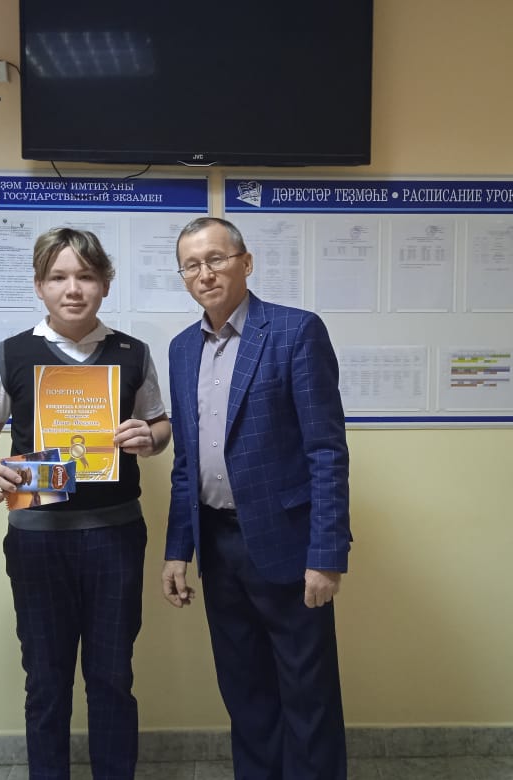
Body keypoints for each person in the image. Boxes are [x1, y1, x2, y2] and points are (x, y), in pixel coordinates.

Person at [0, 227, 170, 780]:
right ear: (39, 286)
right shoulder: (13, 354)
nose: (72, 289)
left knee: (112, 677)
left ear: (105, 284)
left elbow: (159, 425)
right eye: (58, 277)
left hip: (115, 536)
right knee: (46, 681)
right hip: (38, 540)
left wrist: (152, 437)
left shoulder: (132, 354)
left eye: (85, 276)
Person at [161, 217, 352, 779]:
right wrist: (177, 551)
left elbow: (326, 451)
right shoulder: (181, 349)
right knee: (244, 693)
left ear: (245, 262)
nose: (205, 273)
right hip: (218, 546)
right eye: (191, 265)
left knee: (308, 695)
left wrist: (327, 554)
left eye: (216, 259)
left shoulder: (295, 331)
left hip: (288, 546)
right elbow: (186, 461)